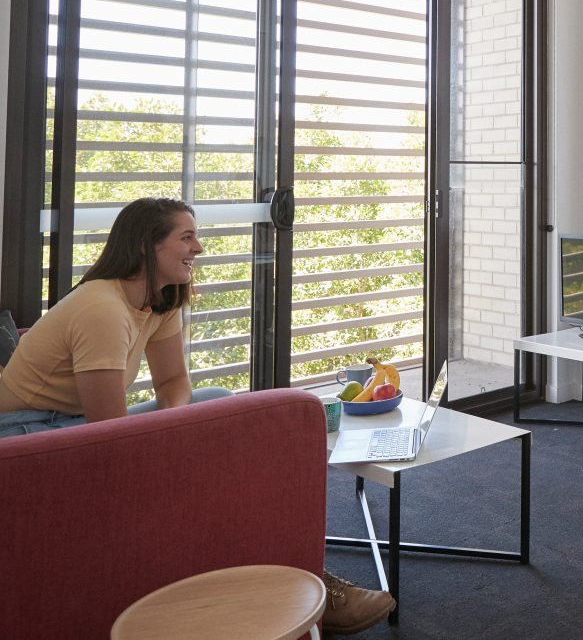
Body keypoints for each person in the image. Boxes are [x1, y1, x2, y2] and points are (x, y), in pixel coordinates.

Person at [0, 197, 395, 634]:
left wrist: (174, 426)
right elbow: (110, 436)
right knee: (210, 457)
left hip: (74, 420)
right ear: (148, 247)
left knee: (218, 401)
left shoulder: (158, 300)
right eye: (186, 237)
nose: (199, 248)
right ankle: (304, 576)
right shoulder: (102, 310)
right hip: (26, 433)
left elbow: (174, 384)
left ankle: (294, 568)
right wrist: (173, 436)